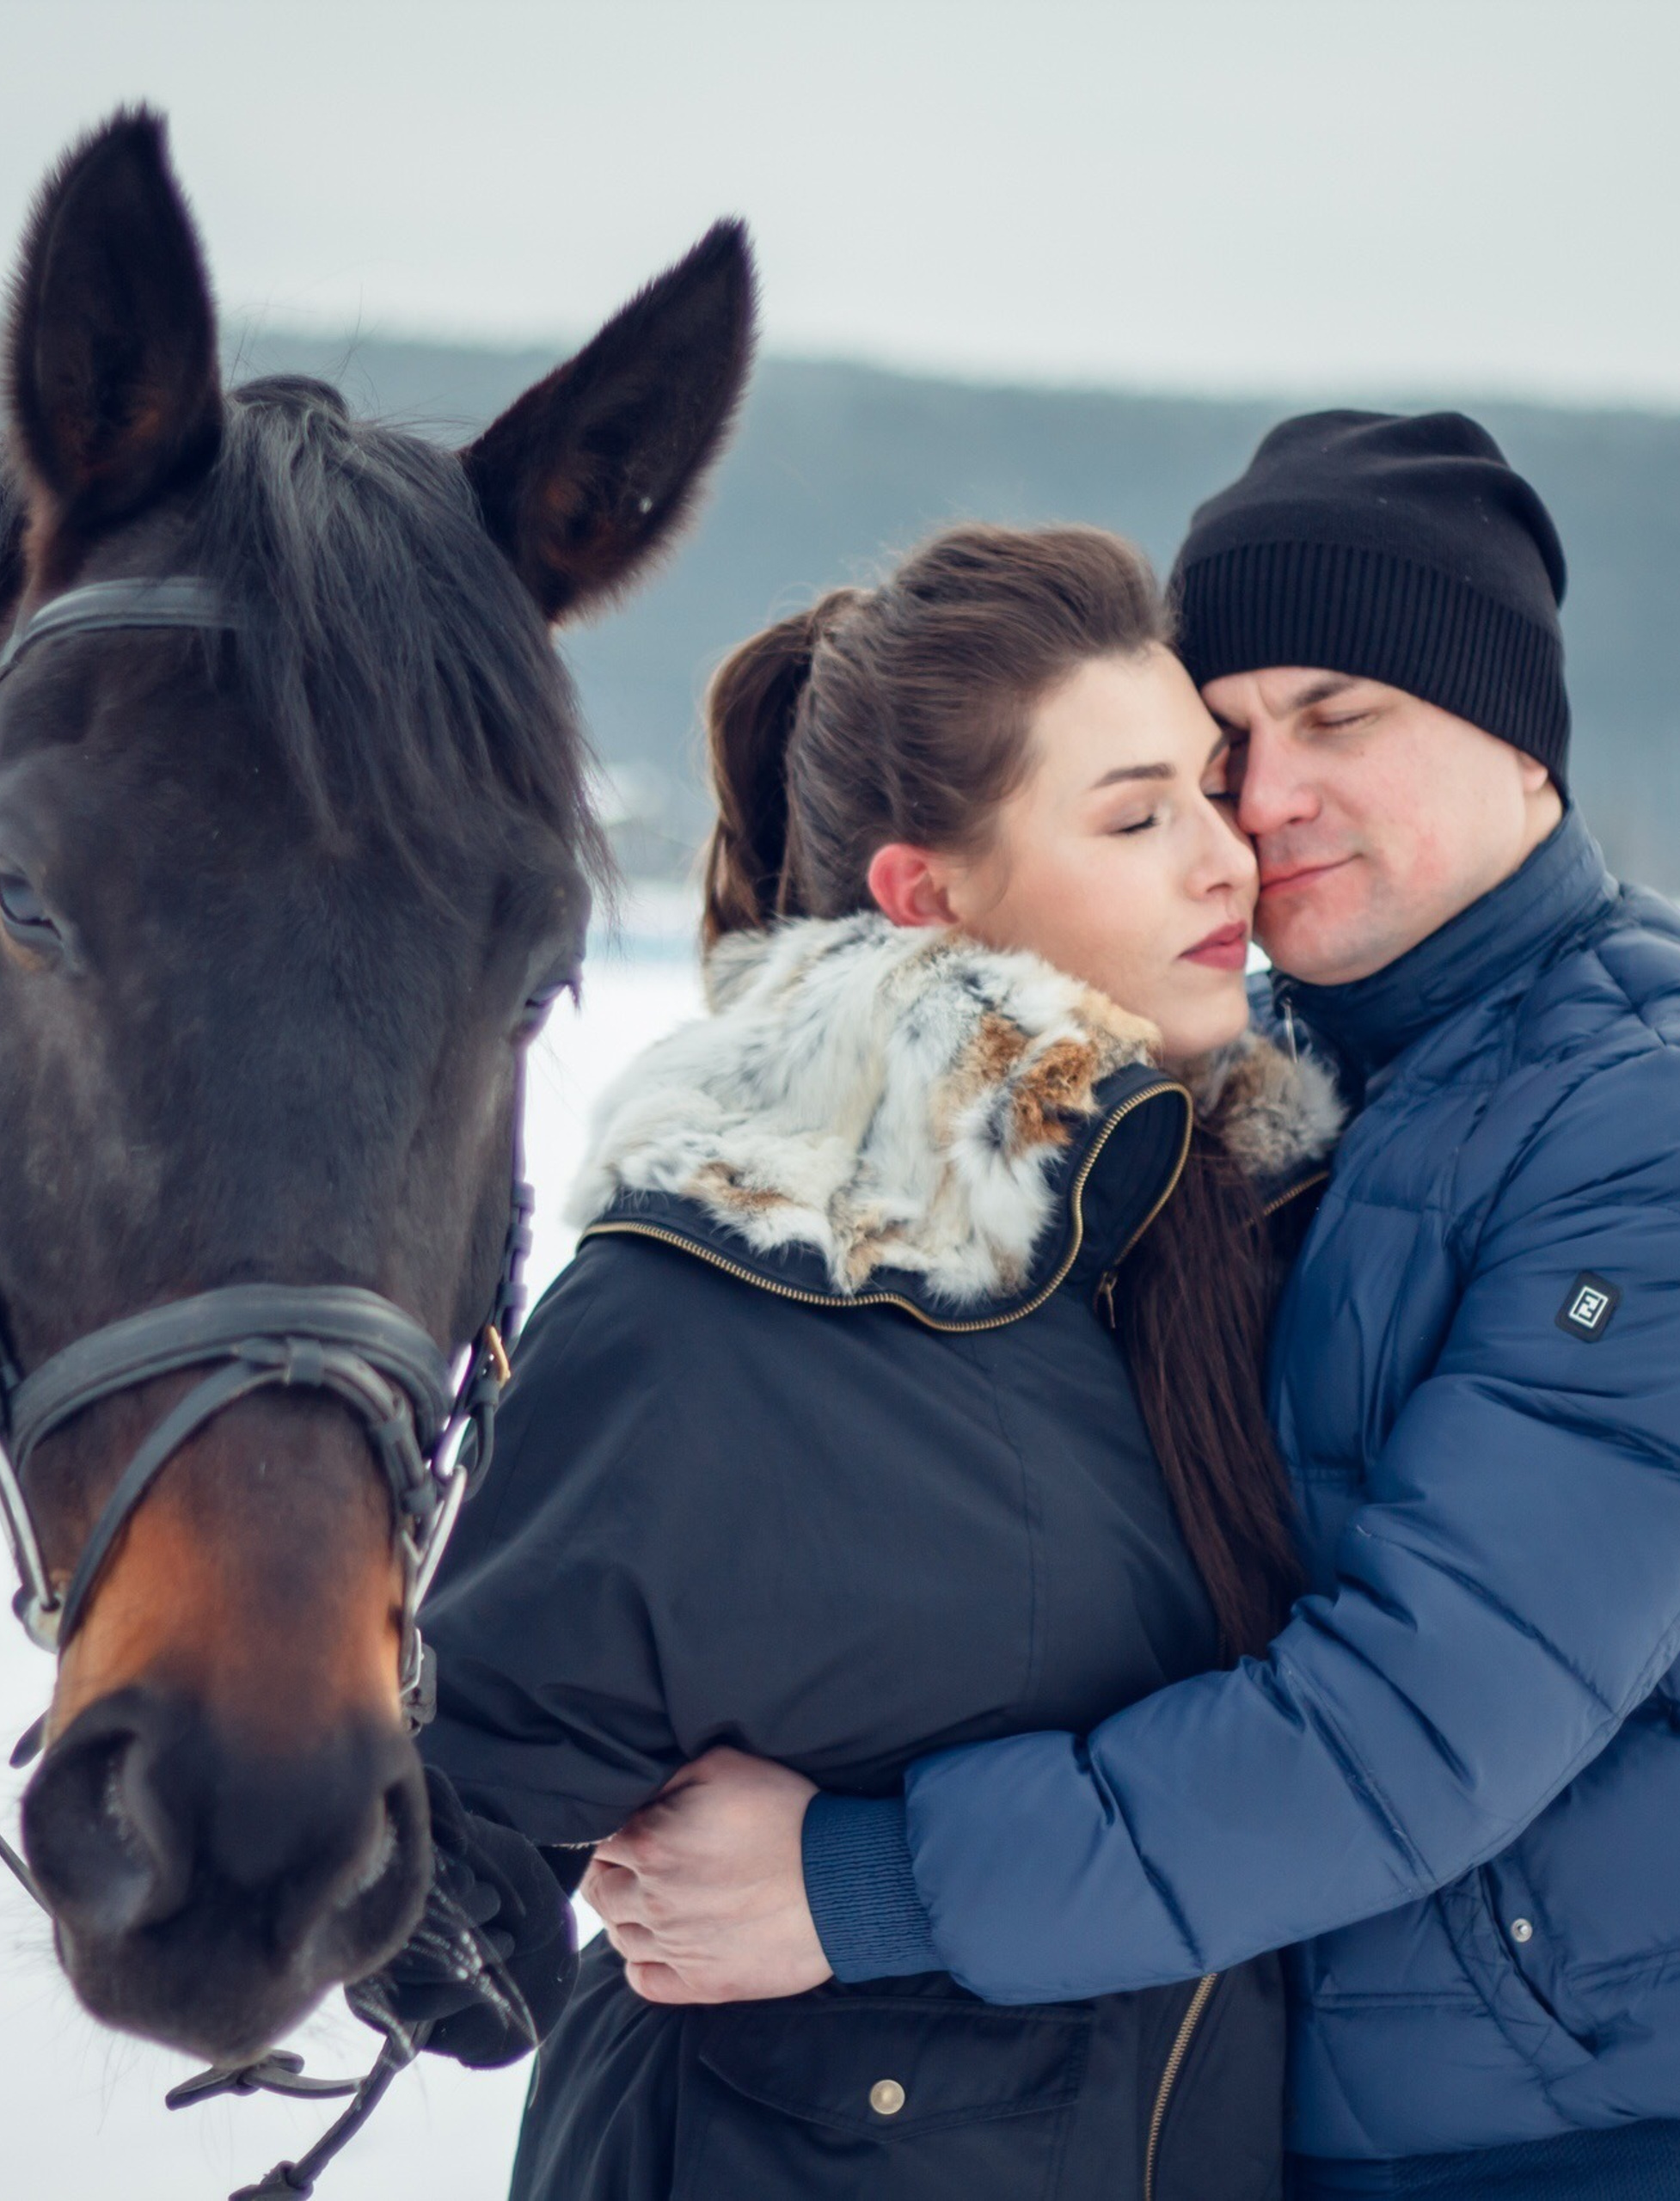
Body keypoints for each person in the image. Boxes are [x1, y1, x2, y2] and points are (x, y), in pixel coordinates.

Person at [580, 414, 1680, 2201]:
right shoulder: (1274, 1087)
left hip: (1653, 2153)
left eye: (1338, 713)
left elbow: (1412, 1716)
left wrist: (854, 1879)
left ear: (1516, 730)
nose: (1264, 791)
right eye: (1224, 740)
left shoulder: (1676, 1130)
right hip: (1301, 2128)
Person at [410, 522, 1342, 2199]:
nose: (1226, 859)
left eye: (1212, 791)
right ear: (929, 894)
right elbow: (437, 1868)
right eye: (1136, 816)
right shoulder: (714, 1296)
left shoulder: (1194, 1231)